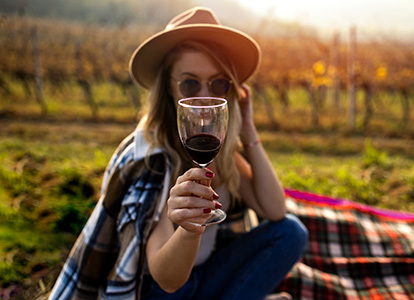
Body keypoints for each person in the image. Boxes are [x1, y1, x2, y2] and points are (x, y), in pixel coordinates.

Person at [49, 6, 308, 300]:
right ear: (168, 89)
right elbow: (166, 279)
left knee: (291, 233)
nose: (204, 96)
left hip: (204, 274)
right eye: (189, 83)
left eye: (219, 83)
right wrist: (189, 228)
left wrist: (248, 130)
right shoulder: (150, 159)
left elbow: (274, 210)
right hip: (158, 292)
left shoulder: (220, 150)